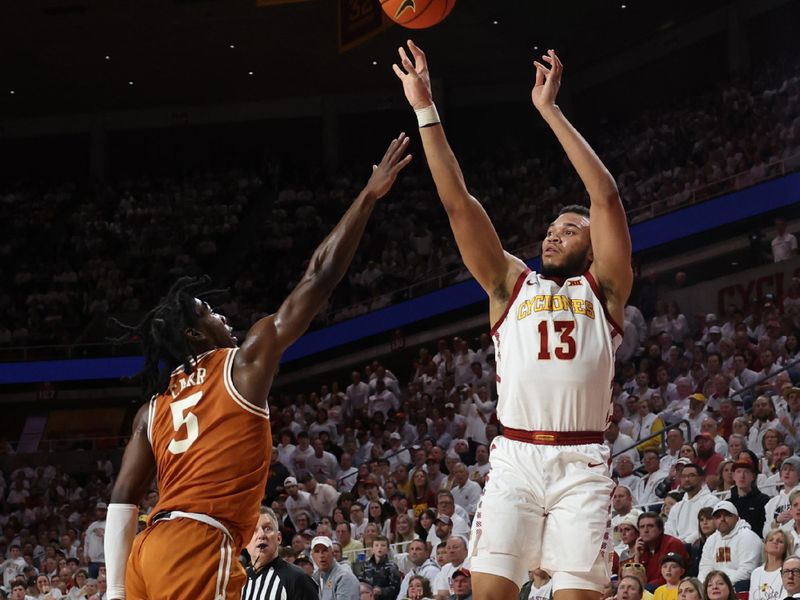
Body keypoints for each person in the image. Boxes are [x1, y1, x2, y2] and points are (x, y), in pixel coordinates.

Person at [103, 135, 412, 600]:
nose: (222, 315)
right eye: (209, 311)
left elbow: (123, 497)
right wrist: (367, 196)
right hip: (200, 544)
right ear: (192, 334)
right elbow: (319, 277)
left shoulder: (153, 408)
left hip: (147, 550)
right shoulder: (243, 362)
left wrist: (113, 588)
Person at [394, 41, 632, 600]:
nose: (554, 233)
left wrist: (549, 110)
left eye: (570, 228)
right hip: (516, 460)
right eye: (551, 228)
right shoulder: (510, 283)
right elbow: (458, 204)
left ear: (594, 245)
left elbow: (607, 195)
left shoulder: (607, 290)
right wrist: (425, 108)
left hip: (582, 462)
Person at [240, 507, 319, 600]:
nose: (261, 535)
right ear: (245, 541)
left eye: (267, 528)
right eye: (254, 530)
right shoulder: (237, 581)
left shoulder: (298, 579)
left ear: (279, 538)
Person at [697, 501, 762, 588]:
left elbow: (747, 571)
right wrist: (704, 586)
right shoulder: (711, 540)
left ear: (737, 517)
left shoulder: (748, 537)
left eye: (727, 515)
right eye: (718, 516)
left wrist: (721, 586)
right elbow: (704, 568)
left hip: (741, 587)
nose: (722, 519)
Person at [630, 513, 689, 587]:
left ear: (660, 529)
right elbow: (633, 577)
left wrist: (643, 589)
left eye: (650, 526)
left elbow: (670, 577)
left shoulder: (672, 544)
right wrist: (636, 557)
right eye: (642, 527)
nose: (645, 530)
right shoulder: (641, 547)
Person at [664, 464, 718, 544]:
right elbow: (669, 529)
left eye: (691, 476)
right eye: (683, 476)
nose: (686, 479)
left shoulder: (711, 501)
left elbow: (706, 528)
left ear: (701, 478)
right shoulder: (677, 506)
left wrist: (685, 542)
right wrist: (674, 544)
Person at [312, 536, 362, 600]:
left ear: (332, 554)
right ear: (312, 556)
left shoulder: (345, 577)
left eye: (325, 550)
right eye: (317, 551)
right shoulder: (315, 578)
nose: (321, 555)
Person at [748, 529, 790, 600]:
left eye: (780, 541)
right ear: (765, 546)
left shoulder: (788, 572)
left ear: (785, 548)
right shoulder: (756, 573)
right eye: (771, 540)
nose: (775, 542)